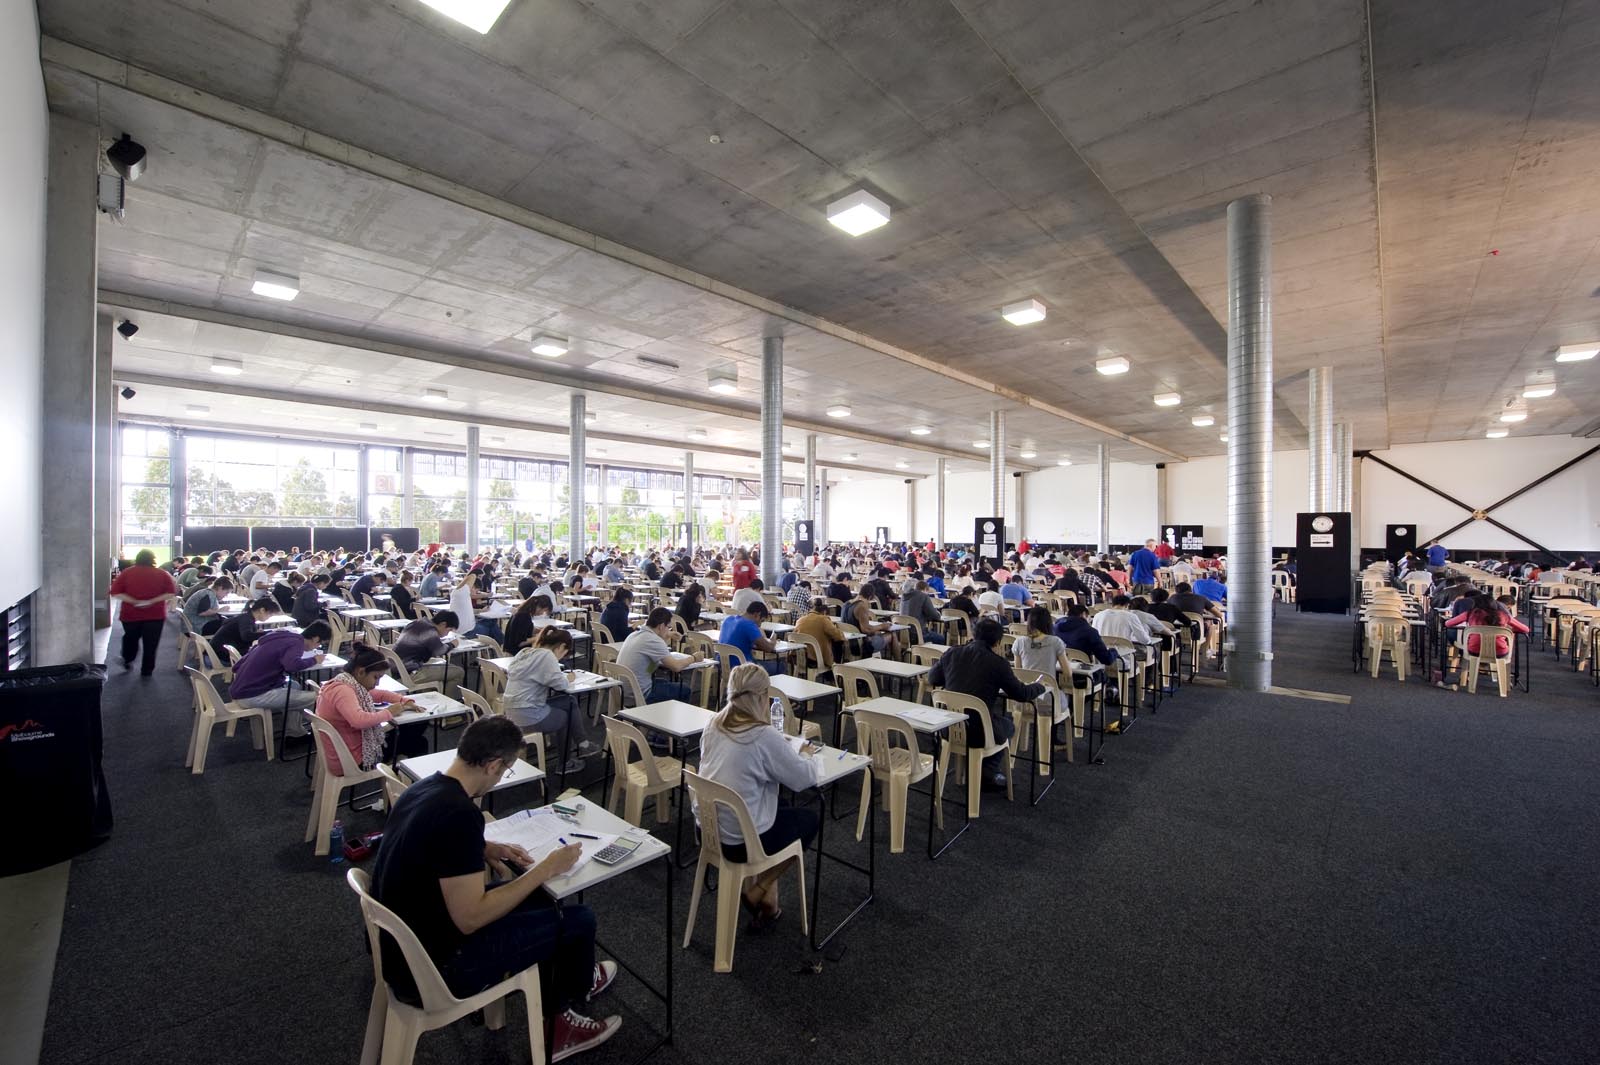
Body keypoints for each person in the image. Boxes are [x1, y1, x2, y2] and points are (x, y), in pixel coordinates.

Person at [369, 715, 621, 1061]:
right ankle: (562, 1026)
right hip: (438, 969)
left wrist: (483, 847)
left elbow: (430, 847)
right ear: (492, 765)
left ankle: (574, 977)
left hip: (406, 946)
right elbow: (471, 918)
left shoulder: (421, 789)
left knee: (541, 901)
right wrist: (545, 868)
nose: (502, 778)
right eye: (506, 770)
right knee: (578, 920)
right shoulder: (459, 814)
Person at [695, 663, 820, 927]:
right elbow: (804, 779)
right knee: (809, 820)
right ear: (763, 697)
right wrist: (808, 755)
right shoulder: (762, 735)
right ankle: (761, 886)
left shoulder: (712, 724)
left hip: (707, 829)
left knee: (780, 805)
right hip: (740, 842)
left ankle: (770, 902)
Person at [928, 617, 1044, 789]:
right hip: (979, 733)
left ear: (974, 635)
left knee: (991, 721)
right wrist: (1039, 686)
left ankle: (975, 769)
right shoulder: (998, 664)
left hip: (947, 727)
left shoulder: (952, 652)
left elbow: (932, 678)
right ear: (997, 642)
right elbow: (1021, 694)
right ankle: (988, 772)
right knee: (1008, 725)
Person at [315, 642, 427, 769]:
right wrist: (389, 712)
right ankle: (398, 772)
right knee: (419, 741)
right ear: (361, 672)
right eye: (375, 677)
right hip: (353, 759)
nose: (377, 683)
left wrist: (403, 700)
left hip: (343, 752)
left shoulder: (345, 682)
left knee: (411, 731)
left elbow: (379, 694)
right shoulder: (344, 691)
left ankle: (396, 765)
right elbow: (359, 721)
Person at [502, 627, 593, 770]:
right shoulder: (547, 656)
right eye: (564, 653)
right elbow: (562, 685)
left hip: (511, 712)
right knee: (566, 716)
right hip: (528, 714)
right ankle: (565, 763)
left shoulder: (525, 652)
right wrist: (569, 678)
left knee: (569, 702)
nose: (561, 658)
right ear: (562, 646)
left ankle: (583, 743)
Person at [230, 620, 333, 737]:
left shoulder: (281, 638)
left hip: (242, 689)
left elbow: (237, 666)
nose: (318, 647)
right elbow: (292, 666)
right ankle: (325, 732)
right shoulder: (296, 643)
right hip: (252, 695)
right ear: (315, 638)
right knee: (318, 697)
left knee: (294, 686)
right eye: (320, 644)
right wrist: (314, 660)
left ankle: (295, 732)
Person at [110, 549, 179, 675]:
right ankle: (147, 670)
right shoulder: (162, 574)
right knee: (151, 644)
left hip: (130, 614)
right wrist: (151, 601)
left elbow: (115, 592)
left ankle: (128, 659)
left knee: (130, 638)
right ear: (153, 559)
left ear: (137, 559)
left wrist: (135, 601)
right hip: (155, 615)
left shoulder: (127, 572)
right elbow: (171, 593)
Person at [617, 607, 698, 703]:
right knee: (684, 690)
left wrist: (665, 636)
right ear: (662, 626)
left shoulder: (633, 635)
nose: (669, 630)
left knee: (663, 682)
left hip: (623, 693)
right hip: (640, 695)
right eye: (669, 627)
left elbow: (650, 668)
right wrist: (694, 658)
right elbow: (676, 667)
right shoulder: (654, 640)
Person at [1445, 592, 1529, 659]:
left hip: (1474, 650)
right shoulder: (1504, 615)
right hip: (1499, 652)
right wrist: (1509, 630)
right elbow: (1526, 629)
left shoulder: (1470, 614)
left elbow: (1448, 623)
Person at [392, 610, 459, 689]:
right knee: (458, 672)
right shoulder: (430, 631)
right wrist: (452, 644)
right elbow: (439, 651)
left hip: (396, 669)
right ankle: (447, 696)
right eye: (449, 630)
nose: (447, 634)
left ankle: (432, 691)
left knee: (445, 667)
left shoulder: (417, 623)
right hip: (409, 672)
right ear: (443, 624)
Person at [719, 601, 784, 675]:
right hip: (742, 669)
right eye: (761, 621)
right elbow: (769, 648)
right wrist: (773, 638)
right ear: (757, 615)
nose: (759, 625)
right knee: (781, 665)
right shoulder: (749, 625)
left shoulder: (728, 619)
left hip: (722, 666)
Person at [1052, 602, 1120, 668]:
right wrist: (1114, 651)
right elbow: (1106, 659)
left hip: (1059, 669)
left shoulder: (1055, 627)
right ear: (1083, 614)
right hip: (1083, 672)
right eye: (1088, 616)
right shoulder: (1090, 632)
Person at [794, 597, 848, 673]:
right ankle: (835, 672)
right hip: (817, 658)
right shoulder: (823, 619)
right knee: (838, 643)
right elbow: (839, 636)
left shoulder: (800, 620)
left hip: (800, 656)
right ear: (824, 612)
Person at [847, 590, 900, 659]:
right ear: (869, 598)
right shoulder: (861, 607)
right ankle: (898, 661)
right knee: (892, 634)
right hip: (861, 644)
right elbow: (866, 630)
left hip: (847, 641)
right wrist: (882, 626)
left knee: (877, 633)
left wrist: (876, 630)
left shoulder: (846, 604)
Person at [451, 572, 502, 641]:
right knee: (492, 627)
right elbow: (473, 575)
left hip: (464, 629)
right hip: (468, 631)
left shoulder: (456, 594)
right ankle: (501, 643)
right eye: (476, 590)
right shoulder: (463, 594)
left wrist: (481, 610)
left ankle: (499, 643)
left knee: (491, 621)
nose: (476, 593)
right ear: (471, 587)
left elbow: (468, 610)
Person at [901, 580, 946, 644]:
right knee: (941, 638)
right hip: (917, 634)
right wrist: (938, 614)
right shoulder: (923, 596)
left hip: (902, 634)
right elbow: (935, 616)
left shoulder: (903, 597)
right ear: (925, 589)